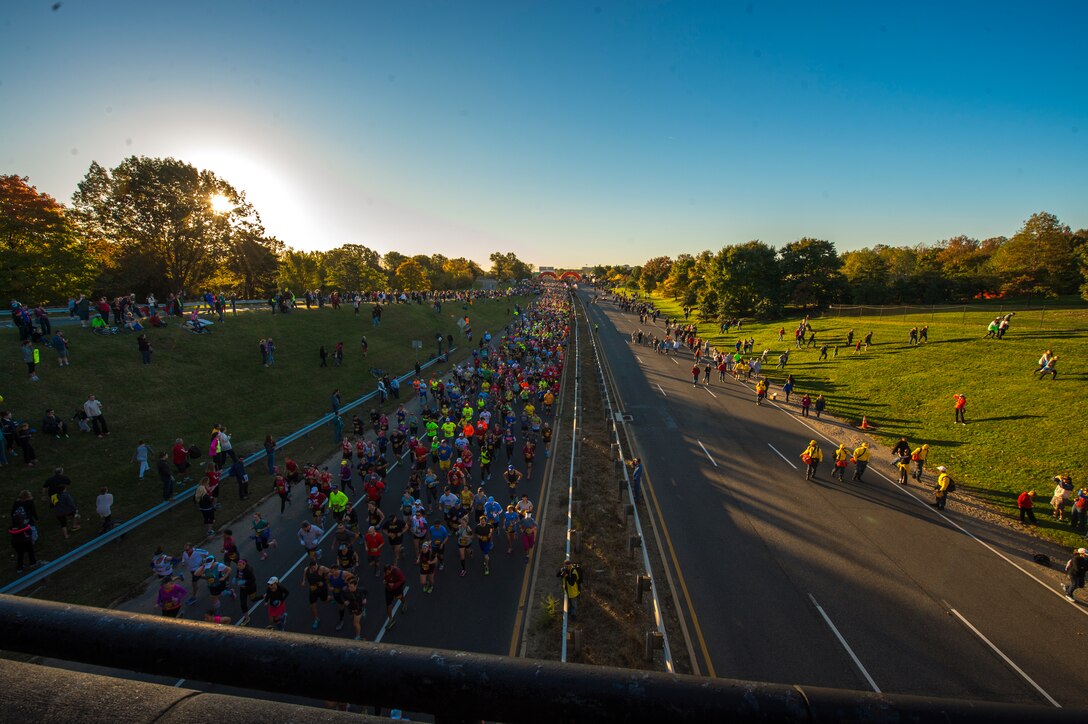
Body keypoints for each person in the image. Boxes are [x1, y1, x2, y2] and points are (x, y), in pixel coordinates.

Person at [300, 560, 331, 630]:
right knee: (312, 606)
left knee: (324, 600)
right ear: (310, 567)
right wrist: (303, 581)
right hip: (313, 590)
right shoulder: (306, 569)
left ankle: (331, 598)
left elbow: (330, 572)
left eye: (316, 567)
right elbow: (304, 575)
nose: (315, 569)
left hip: (322, 589)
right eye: (313, 568)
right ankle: (316, 619)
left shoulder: (322, 568)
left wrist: (325, 581)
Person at [233, 558, 258, 624]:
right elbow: (237, 575)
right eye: (238, 565)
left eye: (240, 565)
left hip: (250, 588)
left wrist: (244, 581)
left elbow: (253, 580)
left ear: (244, 565)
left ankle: (264, 596)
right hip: (243, 589)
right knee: (243, 603)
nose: (238, 567)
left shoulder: (248, 570)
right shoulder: (239, 569)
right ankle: (247, 618)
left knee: (253, 599)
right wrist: (235, 578)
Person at [382, 564, 407, 629]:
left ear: (391, 569)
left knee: (399, 597)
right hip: (388, 589)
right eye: (385, 573)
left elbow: (403, 580)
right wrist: (385, 581)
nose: (386, 574)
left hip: (397, 587)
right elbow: (385, 578)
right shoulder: (385, 573)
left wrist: (394, 584)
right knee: (388, 603)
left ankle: (404, 603)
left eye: (388, 572)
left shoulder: (397, 571)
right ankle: (391, 619)